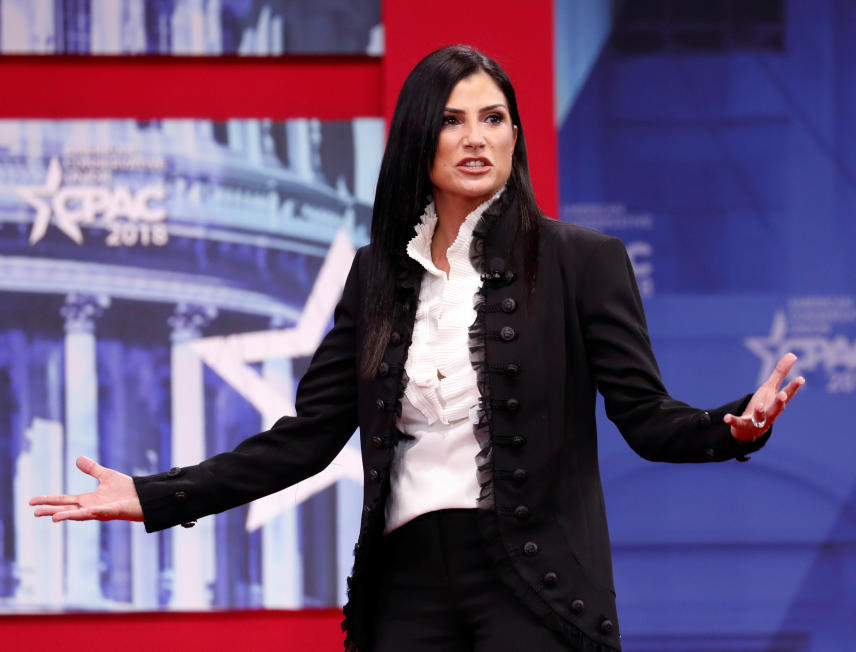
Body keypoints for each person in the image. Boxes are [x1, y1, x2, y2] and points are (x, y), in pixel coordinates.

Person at [30, 45, 804, 651]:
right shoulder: (374, 277)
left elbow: (645, 417)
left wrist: (733, 424)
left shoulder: (581, 260)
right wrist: (160, 495)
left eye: (495, 118)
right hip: (403, 586)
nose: (477, 138)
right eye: (454, 119)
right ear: (417, 139)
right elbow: (304, 440)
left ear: (514, 135)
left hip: (534, 581)